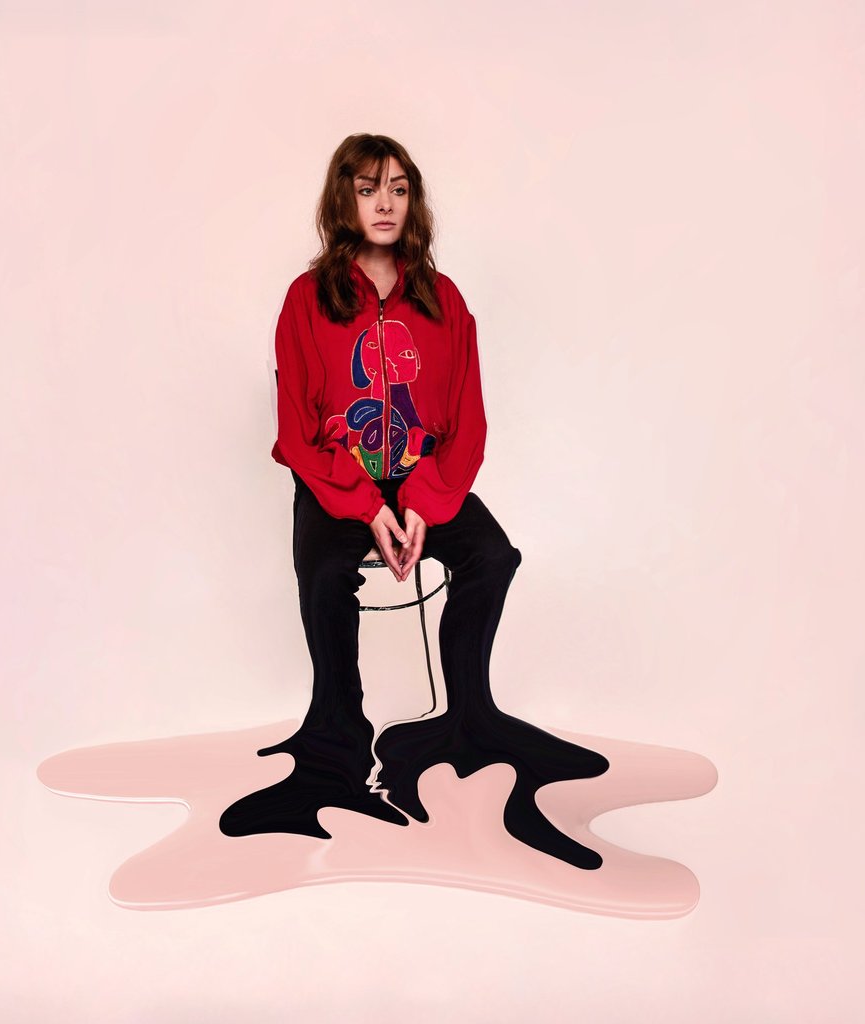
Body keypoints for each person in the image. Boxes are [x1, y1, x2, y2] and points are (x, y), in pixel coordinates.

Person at [220, 134, 610, 870]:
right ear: (343, 198)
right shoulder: (307, 301)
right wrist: (369, 509)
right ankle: (337, 742)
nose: (385, 203)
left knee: (493, 557)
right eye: (368, 188)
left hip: (423, 475)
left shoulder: (443, 297)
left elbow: (468, 420)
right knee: (327, 574)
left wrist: (424, 506)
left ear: (414, 200)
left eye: (398, 188)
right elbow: (298, 431)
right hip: (337, 476)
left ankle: (466, 718)